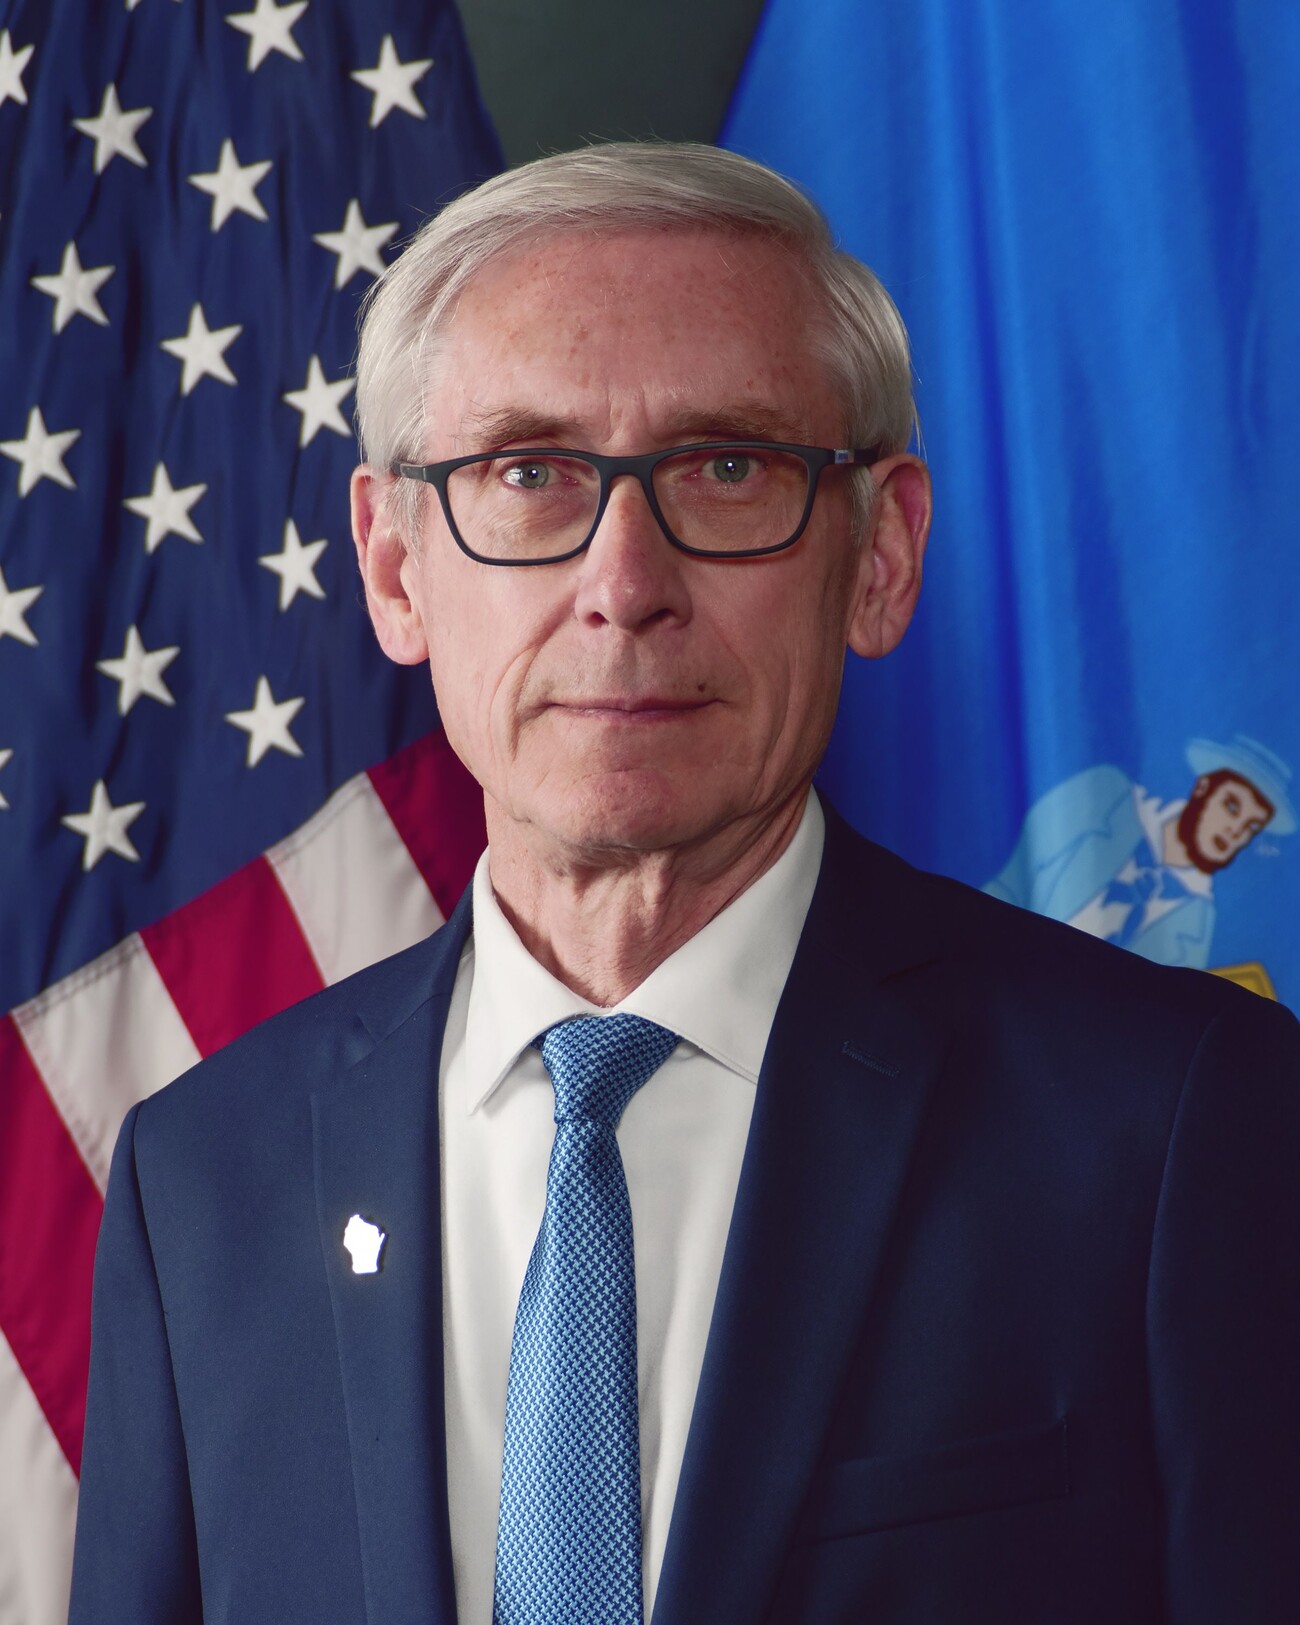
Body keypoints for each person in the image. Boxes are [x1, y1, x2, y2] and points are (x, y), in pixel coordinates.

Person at [70, 142, 1300, 1624]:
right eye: (528, 474)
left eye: (727, 468)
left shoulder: (1175, 1122)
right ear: (395, 569)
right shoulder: (202, 1179)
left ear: (880, 555)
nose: (624, 583)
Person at [984, 734, 1295, 968]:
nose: (1236, 831)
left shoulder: (1199, 922)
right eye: (1232, 806)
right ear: (1202, 788)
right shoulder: (1106, 795)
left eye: (1252, 826)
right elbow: (1007, 883)